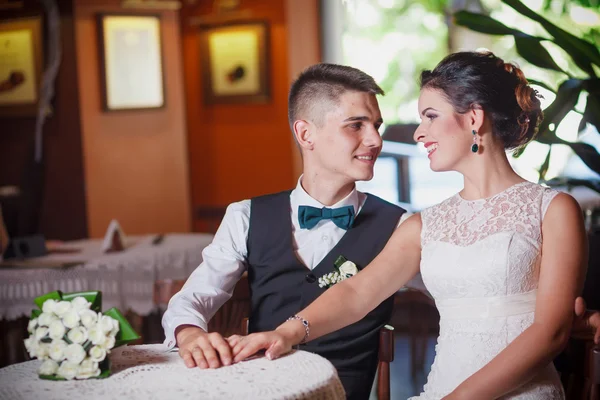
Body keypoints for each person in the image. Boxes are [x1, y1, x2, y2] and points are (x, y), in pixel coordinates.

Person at [230, 51, 595, 399]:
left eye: (430, 116)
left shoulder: (554, 209)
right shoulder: (423, 223)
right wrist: (285, 333)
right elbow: (357, 293)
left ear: (473, 118)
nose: (419, 133)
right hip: (440, 390)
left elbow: (551, 332)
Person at [162, 63, 407, 399]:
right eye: (356, 125)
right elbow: (192, 300)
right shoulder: (245, 216)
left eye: (376, 126)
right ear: (306, 134)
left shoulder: (400, 227)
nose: (375, 140)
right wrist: (189, 334)